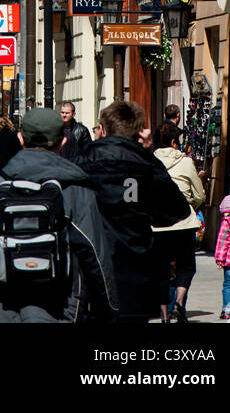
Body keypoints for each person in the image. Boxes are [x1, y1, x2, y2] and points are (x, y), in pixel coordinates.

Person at [0, 107, 115, 323]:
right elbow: (95, 256)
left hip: (5, 307)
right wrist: (108, 309)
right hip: (62, 307)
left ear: (21, 139)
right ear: (62, 142)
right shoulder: (75, 192)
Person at [78, 101, 189, 323]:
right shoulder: (144, 165)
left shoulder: (82, 163)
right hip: (135, 272)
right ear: (137, 132)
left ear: (102, 129)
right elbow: (176, 211)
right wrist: (148, 154)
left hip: (90, 273)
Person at [152, 122, 206, 322]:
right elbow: (199, 194)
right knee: (186, 266)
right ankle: (180, 303)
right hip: (183, 222)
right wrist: (190, 202)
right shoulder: (186, 162)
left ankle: (164, 315)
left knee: (161, 270)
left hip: (156, 224)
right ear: (174, 142)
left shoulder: (149, 161)